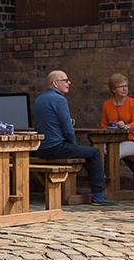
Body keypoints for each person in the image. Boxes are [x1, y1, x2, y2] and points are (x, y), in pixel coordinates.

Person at [33, 69, 113, 204]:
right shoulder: (59, 100)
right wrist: (73, 145)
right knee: (95, 152)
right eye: (65, 80)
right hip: (56, 147)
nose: (69, 83)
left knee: (87, 153)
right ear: (55, 83)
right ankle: (98, 194)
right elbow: (68, 128)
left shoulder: (39, 99)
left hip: (41, 148)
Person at [100, 73, 134, 183]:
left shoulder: (133, 103)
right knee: (98, 150)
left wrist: (127, 126)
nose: (125, 89)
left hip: (132, 141)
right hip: (113, 141)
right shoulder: (107, 105)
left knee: (115, 152)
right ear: (113, 90)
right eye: (121, 87)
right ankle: (100, 177)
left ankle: (112, 181)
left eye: (126, 86)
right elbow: (103, 125)